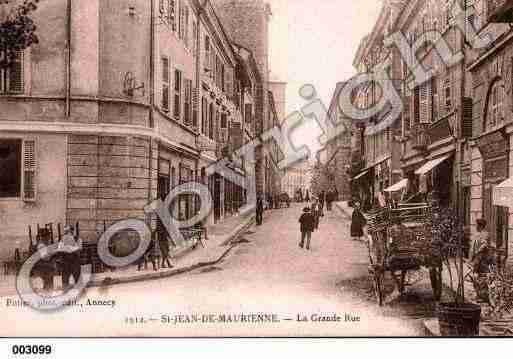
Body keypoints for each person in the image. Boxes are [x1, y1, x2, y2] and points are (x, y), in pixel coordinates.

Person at [59, 225, 82, 290]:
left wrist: (67, 248)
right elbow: (60, 249)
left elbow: (79, 249)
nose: (66, 233)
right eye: (65, 232)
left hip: (75, 261)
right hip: (66, 261)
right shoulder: (62, 239)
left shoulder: (77, 238)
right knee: (65, 281)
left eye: (67, 231)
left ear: (72, 231)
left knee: (78, 280)